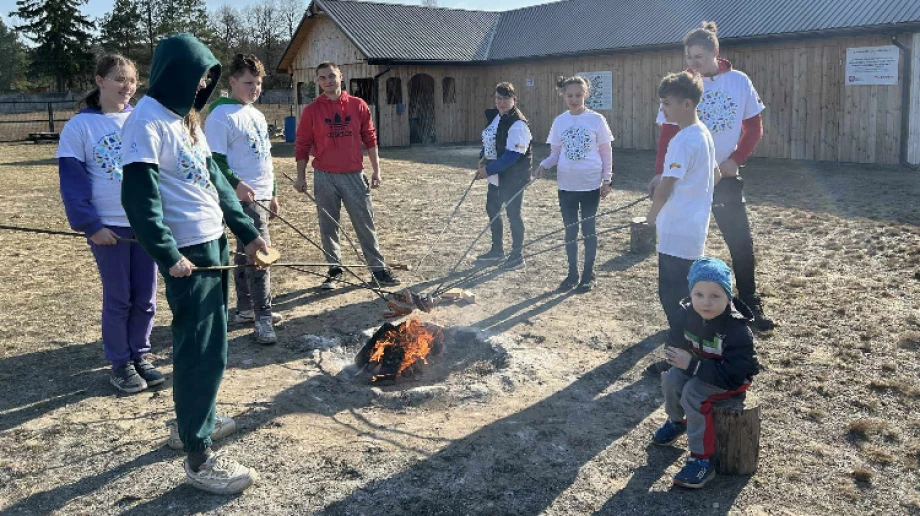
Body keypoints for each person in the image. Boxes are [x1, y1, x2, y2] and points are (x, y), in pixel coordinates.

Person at [121, 33, 267, 495]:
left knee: (211, 344)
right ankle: (198, 455)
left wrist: (246, 232)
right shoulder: (144, 123)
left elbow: (216, 182)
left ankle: (192, 420)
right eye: (198, 76)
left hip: (214, 245)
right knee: (197, 348)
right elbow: (140, 202)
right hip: (189, 255)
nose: (202, 86)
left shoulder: (187, 120)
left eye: (208, 78)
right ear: (175, 74)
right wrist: (168, 254)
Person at [649, 21, 774, 331]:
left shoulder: (738, 81)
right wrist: (658, 173)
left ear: (715, 53)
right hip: (690, 181)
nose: (693, 64)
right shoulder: (683, 87)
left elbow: (754, 127)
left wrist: (736, 158)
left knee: (740, 242)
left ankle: (748, 301)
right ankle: (689, 313)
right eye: (689, 57)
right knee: (687, 248)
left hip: (725, 177)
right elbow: (667, 133)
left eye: (699, 57)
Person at [57, 54, 161, 394]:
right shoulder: (80, 127)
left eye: (132, 80)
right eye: (119, 79)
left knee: (145, 297)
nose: (127, 86)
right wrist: (91, 225)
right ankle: (120, 363)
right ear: (100, 80)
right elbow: (72, 183)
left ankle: (140, 354)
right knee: (119, 297)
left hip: (145, 224)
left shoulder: (143, 120)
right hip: (109, 228)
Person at [651, 257, 759, 488]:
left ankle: (702, 460)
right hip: (697, 367)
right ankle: (677, 422)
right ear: (690, 294)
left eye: (715, 296)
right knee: (671, 379)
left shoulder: (736, 328)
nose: (706, 303)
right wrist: (674, 358)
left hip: (730, 379)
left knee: (692, 393)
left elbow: (735, 372)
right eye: (698, 294)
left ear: (728, 297)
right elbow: (675, 341)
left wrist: (692, 366)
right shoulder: (685, 314)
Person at [292, 61, 400, 290]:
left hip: (353, 174)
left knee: (365, 223)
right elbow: (302, 145)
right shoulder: (311, 111)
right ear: (318, 82)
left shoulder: (357, 105)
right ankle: (334, 269)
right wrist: (301, 177)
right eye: (322, 78)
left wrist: (376, 169)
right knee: (328, 225)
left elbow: (370, 138)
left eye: (331, 76)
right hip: (324, 176)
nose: (328, 81)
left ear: (341, 76)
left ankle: (378, 270)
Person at [205, 53, 282, 345]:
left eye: (259, 83)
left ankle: (247, 309)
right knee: (260, 253)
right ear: (233, 82)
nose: (255, 88)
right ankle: (263, 317)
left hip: (262, 196)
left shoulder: (257, 115)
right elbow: (214, 160)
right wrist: (235, 185)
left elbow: (266, 157)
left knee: (244, 251)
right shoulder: (221, 116)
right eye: (249, 82)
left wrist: (273, 192)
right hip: (242, 198)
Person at [647, 71, 718, 339]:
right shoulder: (703, 134)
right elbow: (715, 174)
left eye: (667, 103)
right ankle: (687, 345)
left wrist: (650, 217)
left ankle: (680, 351)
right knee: (685, 293)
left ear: (686, 104)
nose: (662, 110)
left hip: (676, 229)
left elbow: (665, 189)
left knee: (671, 295)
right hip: (694, 227)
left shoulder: (682, 140)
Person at [534, 76, 614, 292]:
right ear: (564, 96)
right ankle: (572, 274)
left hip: (590, 184)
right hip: (566, 185)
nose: (574, 99)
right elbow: (556, 153)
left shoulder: (596, 120)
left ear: (586, 95)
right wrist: (544, 165)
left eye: (579, 95)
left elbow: (606, 151)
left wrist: (607, 179)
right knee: (570, 231)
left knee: (588, 229)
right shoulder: (560, 121)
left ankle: (588, 275)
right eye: (570, 95)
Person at [474, 81, 533, 270]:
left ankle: (517, 256)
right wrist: (482, 158)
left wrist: (488, 170)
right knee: (492, 209)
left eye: (506, 98)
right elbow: (490, 139)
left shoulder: (518, 124)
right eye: (498, 98)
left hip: (513, 176)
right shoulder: (497, 118)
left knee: (513, 214)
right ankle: (497, 250)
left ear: (514, 99)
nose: (501, 102)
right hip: (496, 175)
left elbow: (513, 155)